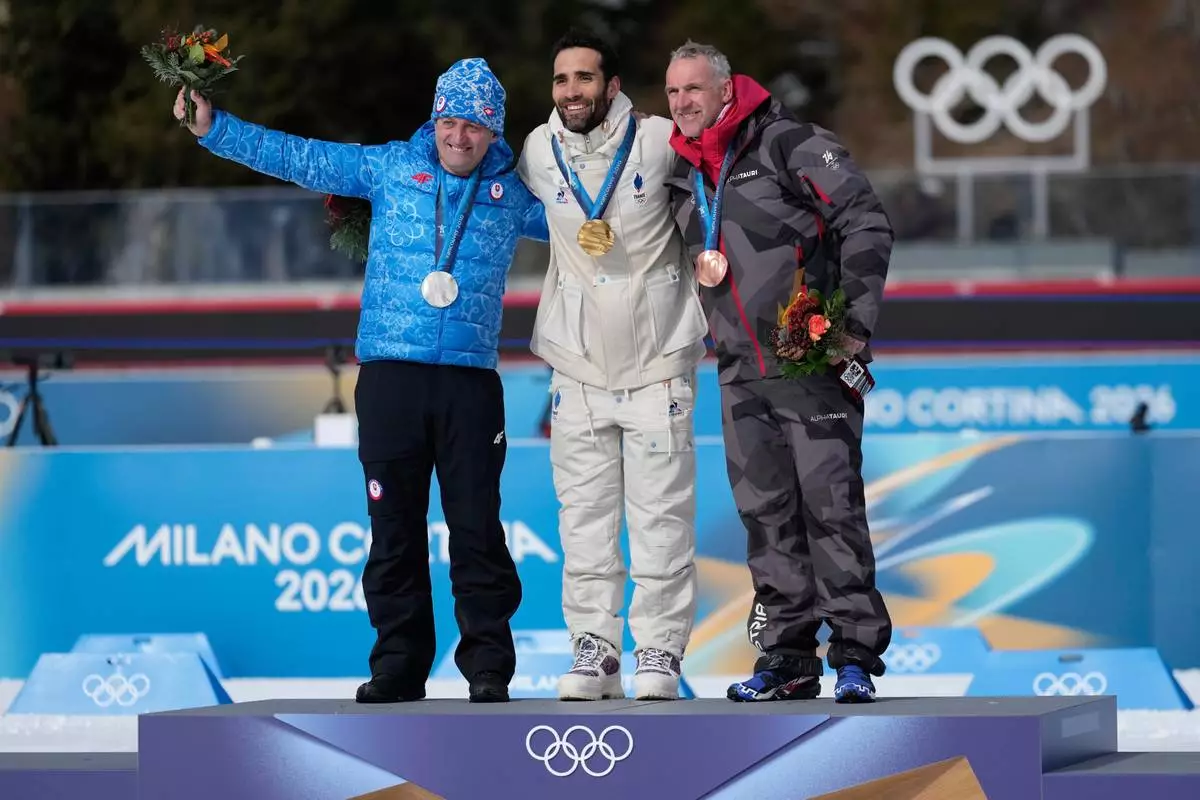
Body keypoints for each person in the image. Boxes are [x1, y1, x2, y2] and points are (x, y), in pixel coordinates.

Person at [174, 58, 549, 704]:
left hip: (468, 388)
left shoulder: (513, 196)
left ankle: (488, 667)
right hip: (389, 380)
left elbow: (587, 222)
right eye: (450, 122)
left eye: (475, 126)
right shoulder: (390, 169)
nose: (459, 137)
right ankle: (399, 666)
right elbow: (300, 159)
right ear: (434, 120)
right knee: (393, 530)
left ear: (495, 133)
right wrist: (216, 130)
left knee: (478, 531)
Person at [662, 40, 894, 703]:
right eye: (674, 92)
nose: (683, 103)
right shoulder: (684, 170)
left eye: (695, 90)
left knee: (832, 512)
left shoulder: (789, 144)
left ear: (727, 91)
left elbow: (866, 220)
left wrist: (850, 323)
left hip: (813, 361)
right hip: (739, 372)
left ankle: (854, 655)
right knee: (767, 520)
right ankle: (788, 657)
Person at [517, 30, 708, 701]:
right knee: (585, 523)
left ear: (613, 85)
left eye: (585, 79)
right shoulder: (537, 151)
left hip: (658, 363)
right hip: (577, 368)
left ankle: (658, 649)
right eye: (562, 79)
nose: (572, 91)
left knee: (661, 520)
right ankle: (595, 649)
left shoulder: (657, 141)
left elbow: (715, 186)